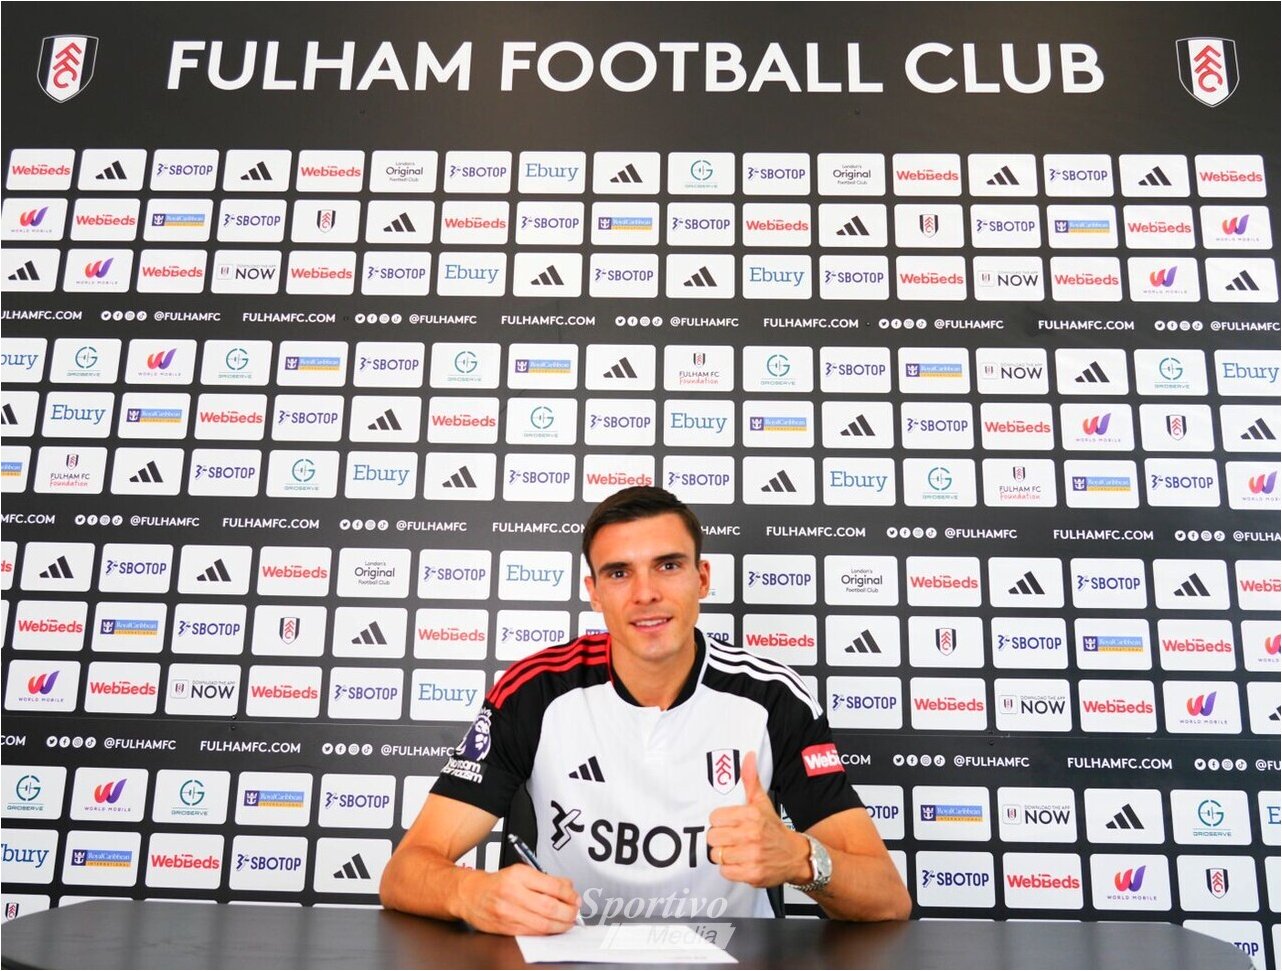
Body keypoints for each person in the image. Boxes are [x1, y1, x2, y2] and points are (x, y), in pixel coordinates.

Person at [381, 486, 911, 933]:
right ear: (593, 592)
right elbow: (405, 872)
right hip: (572, 960)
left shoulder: (773, 698)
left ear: (702, 578)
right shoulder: (535, 691)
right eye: (619, 573)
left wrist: (800, 859)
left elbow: (888, 898)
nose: (645, 593)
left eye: (668, 566)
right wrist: (471, 893)